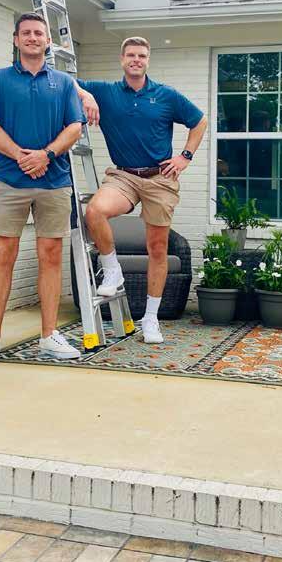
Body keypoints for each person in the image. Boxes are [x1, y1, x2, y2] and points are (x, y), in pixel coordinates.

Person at [76, 37, 208, 344]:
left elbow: (199, 121)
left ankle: (150, 318)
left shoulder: (166, 95)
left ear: (148, 60)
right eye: (131, 55)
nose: (136, 60)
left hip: (159, 179)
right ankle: (112, 270)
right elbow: (63, 81)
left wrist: (185, 156)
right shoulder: (106, 92)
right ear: (122, 59)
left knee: (157, 248)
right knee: (94, 212)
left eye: (142, 55)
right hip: (123, 175)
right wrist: (86, 95)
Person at [0, 12, 84, 365]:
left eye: (39, 33)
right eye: (26, 33)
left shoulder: (63, 83)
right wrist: (21, 156)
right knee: (3, 253)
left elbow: (75, 127)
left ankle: (49, 336)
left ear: (48, 41)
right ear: (16, 40)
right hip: (10, 180)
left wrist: (45, 155)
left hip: (54, 181)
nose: (33, 37)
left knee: (50, 256)